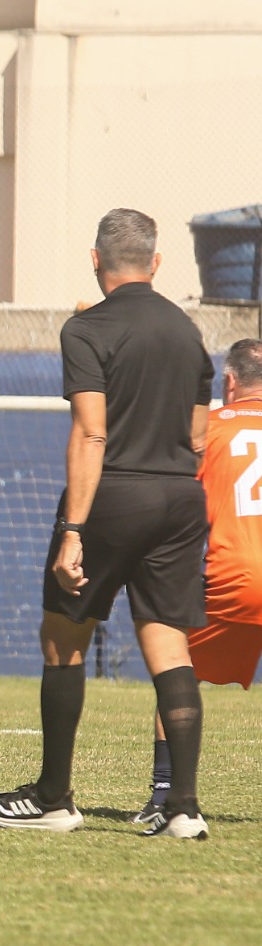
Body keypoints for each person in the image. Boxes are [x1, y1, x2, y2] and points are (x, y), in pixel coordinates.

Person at [0, 208, 214, 839]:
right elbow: (198, 438)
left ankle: (55, 798)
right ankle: (183, 808)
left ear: (95, 261)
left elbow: (90, 431)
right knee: (168, 643)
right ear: (157, 263)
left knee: (63, 638)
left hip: (114, 496)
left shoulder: (87, 330)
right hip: (179, 498)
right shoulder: (189, 334)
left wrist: (74, 532)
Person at [130, 338, 262, 828]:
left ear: (229, 382)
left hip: (235, 575)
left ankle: (166, 794)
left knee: (175, 665)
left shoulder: (211, 428)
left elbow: (178, 498)